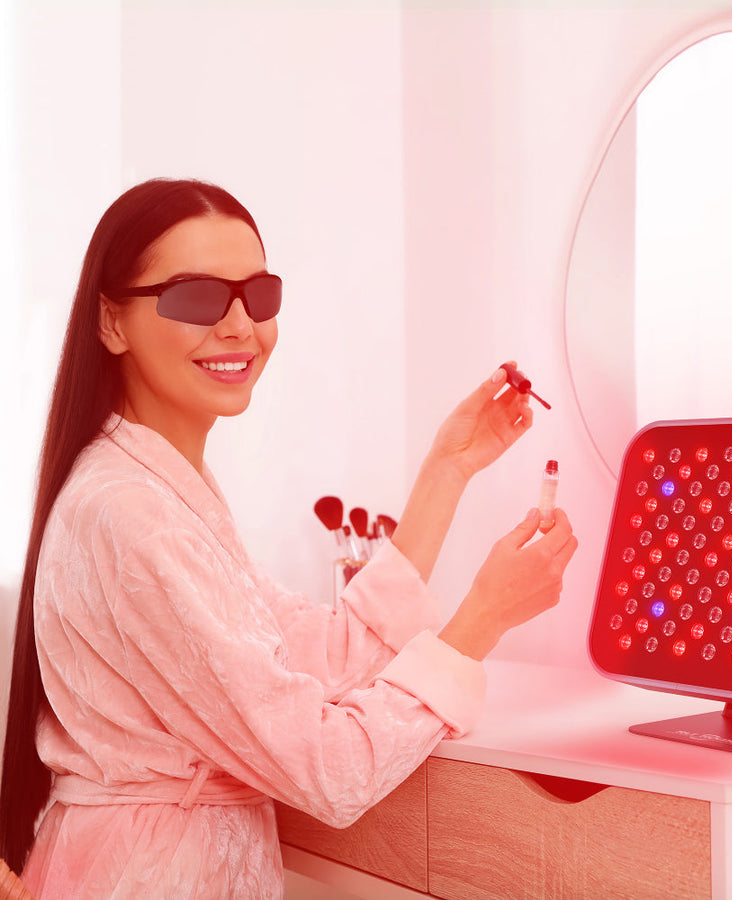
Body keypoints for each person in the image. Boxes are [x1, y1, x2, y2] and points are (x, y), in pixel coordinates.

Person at [0, 178, 578, 898]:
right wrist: (481, 620)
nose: (241, 326)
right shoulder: (128, 513)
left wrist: (448, 469)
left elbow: (321, 658)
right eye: (197, 297)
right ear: (112, 323)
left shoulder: (159, 489)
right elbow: (329, 771)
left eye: (259, 295)